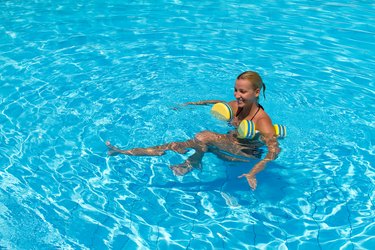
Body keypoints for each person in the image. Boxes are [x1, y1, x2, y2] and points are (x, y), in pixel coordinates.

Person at [106, 71, 280, 190]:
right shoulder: (237, 105)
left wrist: (253, 173)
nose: (236, 95)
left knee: (203, 136)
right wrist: (188, 105)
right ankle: (121, 152)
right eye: (235, 90)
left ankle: (194, 162)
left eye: (242, 91)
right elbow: (216, 101)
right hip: (227, 145)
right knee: (176, 145)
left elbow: (273, 151)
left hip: (243, 155)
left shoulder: (262, 120)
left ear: (256, 92)